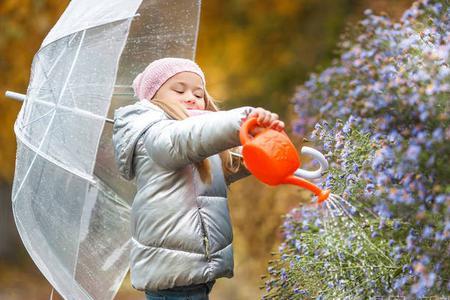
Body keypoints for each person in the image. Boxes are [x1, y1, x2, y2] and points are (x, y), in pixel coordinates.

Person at [112, 57, 284, 300]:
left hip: (192, 269)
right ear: (153, 99)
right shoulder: (153, 133)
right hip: (173, 269)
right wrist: (242, 121)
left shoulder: (191, 139)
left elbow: (219, 172)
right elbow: (182, 140)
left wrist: (257, 144)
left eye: (199, 93)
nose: (191, 97)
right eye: (179, 90)